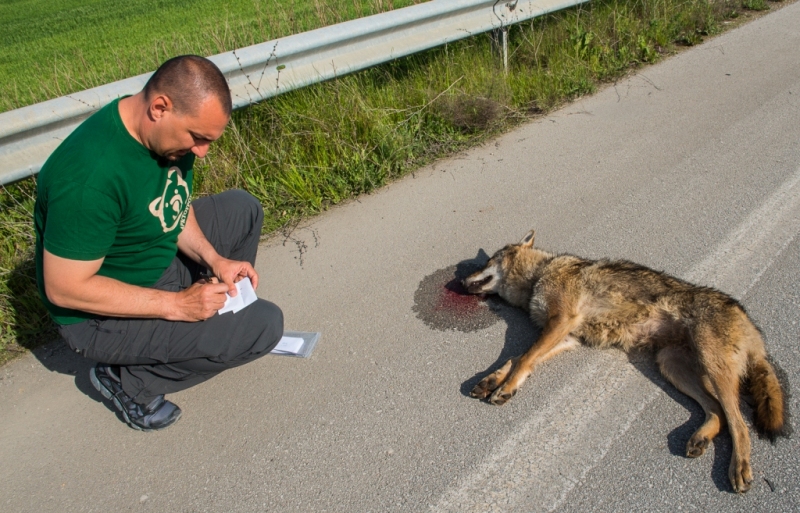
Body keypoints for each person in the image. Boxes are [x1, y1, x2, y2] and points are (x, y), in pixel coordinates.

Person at [34, 55, 284, 431]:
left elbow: (174, 204)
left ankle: (205, 325)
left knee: (244, 210)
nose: (203, 152)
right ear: (160, 107)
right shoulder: (89, 177)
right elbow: (64, 289)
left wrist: (216, 261)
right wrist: (177, 306)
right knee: (266, 326)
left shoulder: (159, 133)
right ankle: (129, 381)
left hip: (150, 258)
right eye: (198, 138)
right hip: (98, 317)